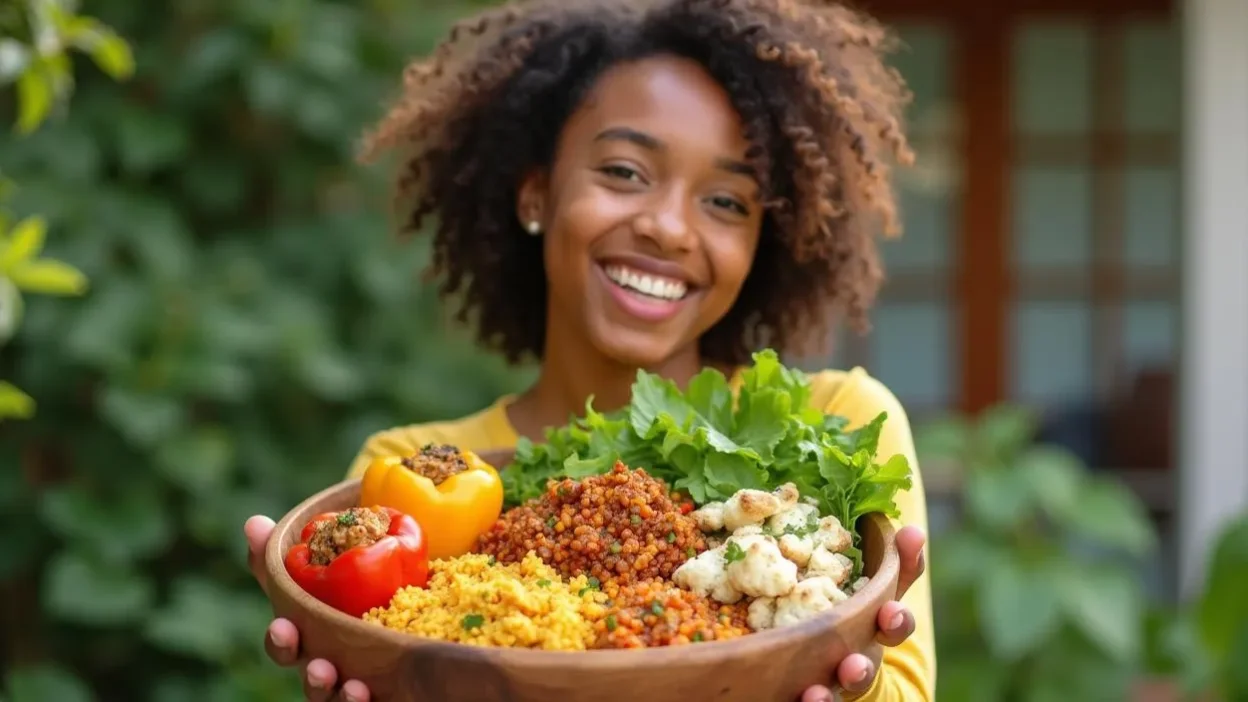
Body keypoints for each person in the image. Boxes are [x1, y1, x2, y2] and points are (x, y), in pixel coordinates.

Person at [244, 0, 934, 699]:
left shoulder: (838, 420)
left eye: (727, 202)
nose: (668, 227)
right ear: (537, 194)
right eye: (626, 172)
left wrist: (852, 683)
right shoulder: (406, 477)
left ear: (761, 247)